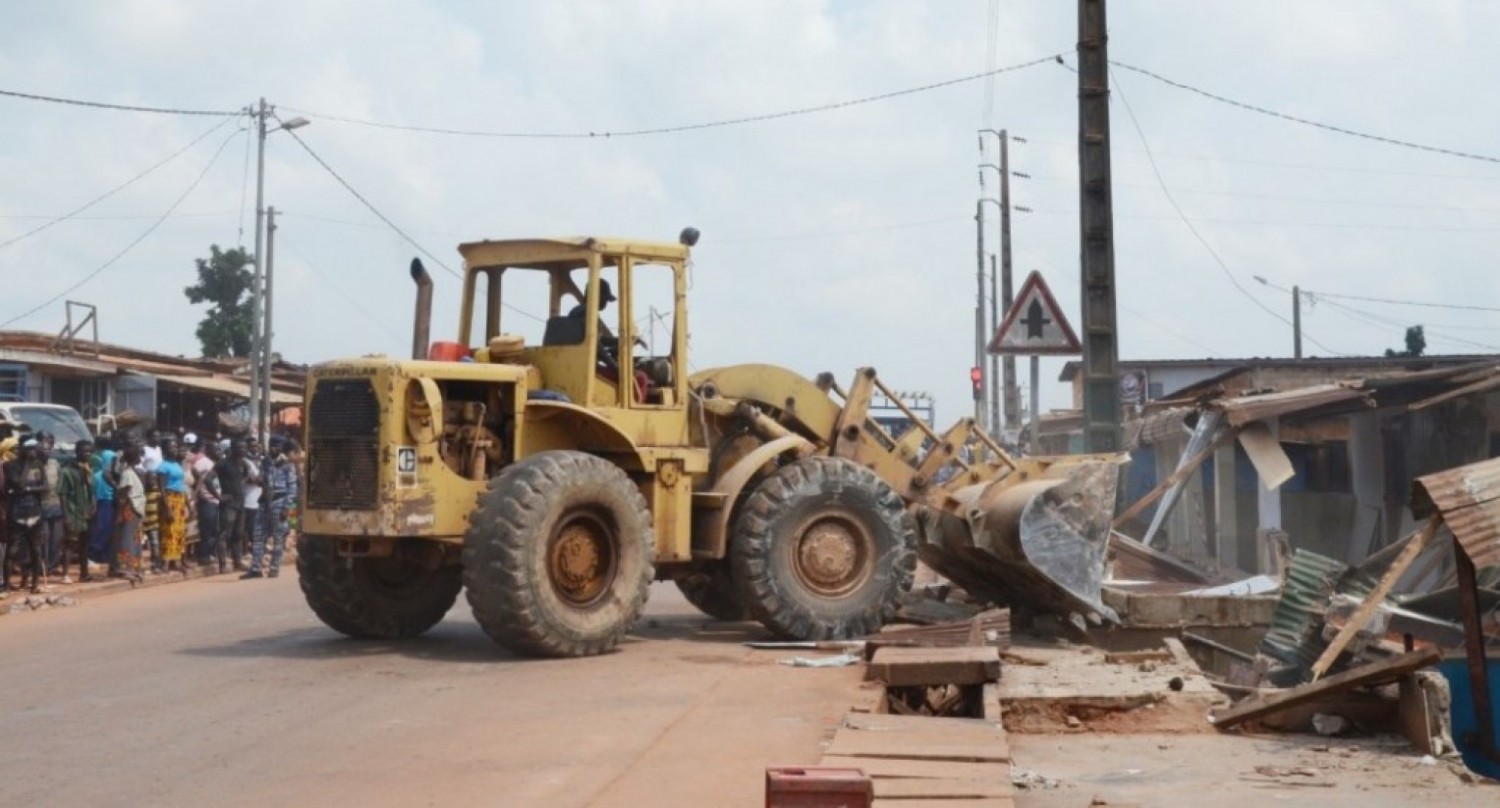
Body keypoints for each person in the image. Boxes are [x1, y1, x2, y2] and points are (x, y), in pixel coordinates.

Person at [245, 437, 297, 578]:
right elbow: (261, 478)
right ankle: (256, 568)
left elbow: (292, 488)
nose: (273, 449)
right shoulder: (265, 461)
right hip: (264, 501)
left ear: (281, 448)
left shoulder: (287, 464)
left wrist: (287, 507)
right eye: (271, 446)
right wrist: (259, 479)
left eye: (276, 446)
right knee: (258, 534)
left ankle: (274, 568)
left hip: (279, 501)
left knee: (278, 536)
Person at [3, 440, 49, 595]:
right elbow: (19, 484)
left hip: (35, 513)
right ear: (22, 450)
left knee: (35, 551)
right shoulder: (11, 466)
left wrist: (30, 488)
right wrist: (27, 464)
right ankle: (7, 585)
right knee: (12, 551)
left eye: (34, 449)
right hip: (16, 514)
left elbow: (45, 486)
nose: (33, 453)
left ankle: (34, 584)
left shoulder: (39, 465)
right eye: (29, 450)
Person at [56, 439, 96, 585]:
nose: (87, 453)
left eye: (89, 451)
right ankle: (65, 574)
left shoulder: (88, 468)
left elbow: (92, 491)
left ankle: (84, 573)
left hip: (86, 512)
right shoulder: (67, 470)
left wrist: (93, 505)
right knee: (70, 544)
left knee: (85, 545)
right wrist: (66, 515)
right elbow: (63, 494)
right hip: (73, 512)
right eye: (84, 451)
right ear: (77, 451)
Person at [156, 438, 190, 573]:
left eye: (175, 446)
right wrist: (167, 508)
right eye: (171, 447)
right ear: (164, 450)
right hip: (169, 499)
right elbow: (162, 488)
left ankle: (176, 561)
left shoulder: (177, 464)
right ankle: (165, 561)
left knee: (179, 531)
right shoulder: (163, 467)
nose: (174, 449)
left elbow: (182, 485)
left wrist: (188, 504)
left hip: (180, 499)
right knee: (168, 531)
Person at [114, 446, 145, 583]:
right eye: (138, 455)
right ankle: (127, 569)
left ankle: (135, 568)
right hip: (129, 509)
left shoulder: (133, 472)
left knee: (135, 540)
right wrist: (121, 513)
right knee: (127, 540)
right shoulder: (127, 474)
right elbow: (123, 495)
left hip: (136, 510)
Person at [89, 434, 118, 580]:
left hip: (106, 496)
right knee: (102, 527)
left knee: (106, 528)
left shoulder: (100, 458)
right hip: (105, 498)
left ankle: (103, 557)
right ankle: (94, 555)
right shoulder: (101, 474)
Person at [216, 439, 247, 571]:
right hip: (228, 503)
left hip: (240, 502)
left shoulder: (242, 462)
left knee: (238, 533)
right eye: (241, 448)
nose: (243, 450)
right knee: (224, 533)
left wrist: (240, 484)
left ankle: (237, 561)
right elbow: (207, 479)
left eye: (244, 448)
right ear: (233, 448)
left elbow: (246, 475)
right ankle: (222, 564)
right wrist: (219, 496)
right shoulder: (223, 463)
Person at [38, 431, 64, 579]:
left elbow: (60, 484)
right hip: (41, 506)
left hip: (56, 505)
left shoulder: (55, 464)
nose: (47, 452)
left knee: (57, 537)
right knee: (44, 537)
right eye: (44, 449)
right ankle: (44, 566)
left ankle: (53, 565)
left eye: (49, 449)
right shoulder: (34, 465)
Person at [193, 441, 220, 567]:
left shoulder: (217, 464)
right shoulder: (202, 462)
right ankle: (203, 556)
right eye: (215, 449)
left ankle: (211, 554)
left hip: (217, 501)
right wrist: (200, 495)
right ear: (208, 450)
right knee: (206, 531)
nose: (218, 451)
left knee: (215, 530)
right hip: (207, 500)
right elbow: (195, 479)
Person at [239, 437, 263, 569]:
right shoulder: (245, 461)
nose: (254, 448)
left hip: (259, 498)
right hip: (247, 498)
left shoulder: (260, 460)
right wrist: (255, 479)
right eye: (252, 446)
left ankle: (255, 549)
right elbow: (256, 479)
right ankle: (245, 551)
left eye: (256, 446)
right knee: (247, 527)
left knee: (257, 526)